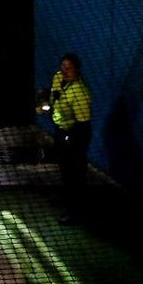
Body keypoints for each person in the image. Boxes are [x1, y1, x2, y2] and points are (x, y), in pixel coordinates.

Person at [42, 52, 92, 213]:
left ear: (77, 70)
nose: (64, 70)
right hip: (60, 130)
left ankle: (76, 210)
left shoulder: (79, 93)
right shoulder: (57, 78)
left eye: (69, 68)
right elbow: (53, 97)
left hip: (76, 136)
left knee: (75, 172)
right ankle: (67, 200)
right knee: (64, 168)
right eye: (63, 66)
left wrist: (69, 137)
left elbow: (84, 124)